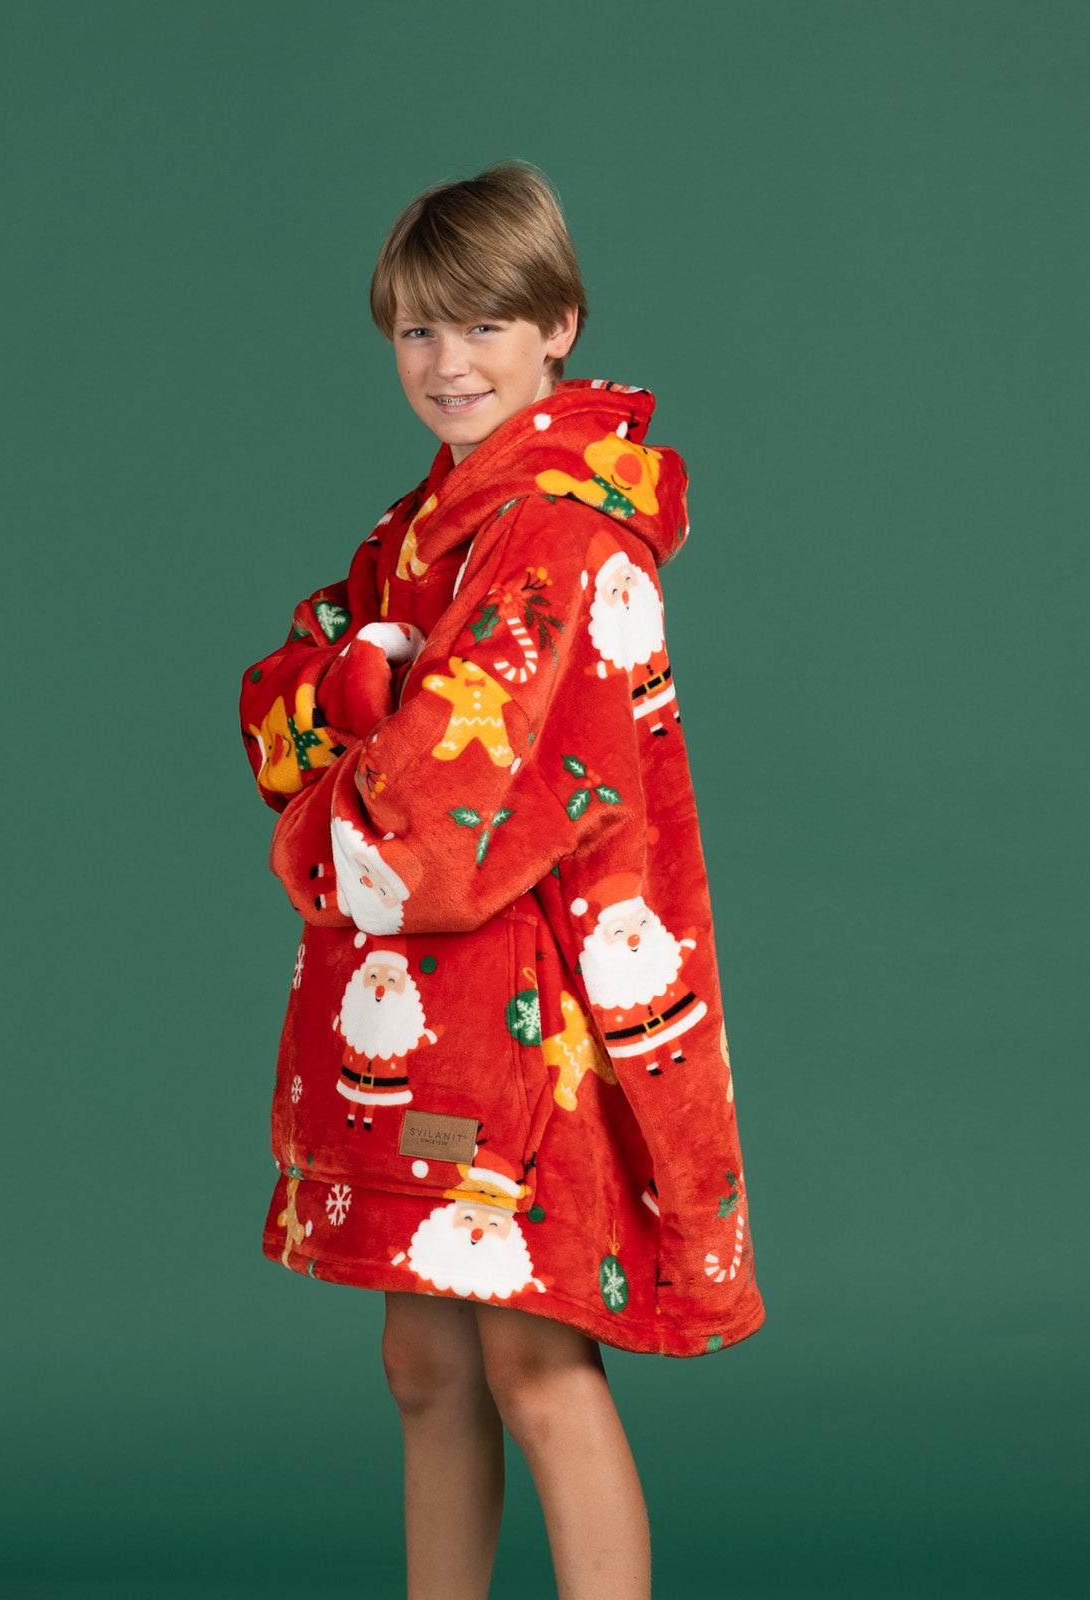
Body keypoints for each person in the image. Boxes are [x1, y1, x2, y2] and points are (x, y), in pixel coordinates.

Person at [240, 162, 764, 1600]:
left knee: (535, 1362)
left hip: (528, 1008)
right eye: (417, 330)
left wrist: (352, 714)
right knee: (422, 1360)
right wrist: (363, 683)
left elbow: (426, 821)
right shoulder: (422, 527)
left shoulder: (554, 538)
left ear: (559, 327)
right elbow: (280, 700)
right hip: (415, 1006)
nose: (447, 363)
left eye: (483, 325)